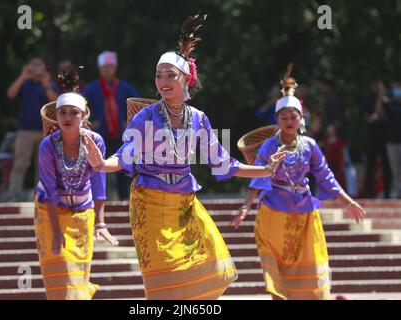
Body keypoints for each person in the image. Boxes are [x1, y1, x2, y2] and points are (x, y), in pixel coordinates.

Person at [83, 14, 286, 300]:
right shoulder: (146, 117)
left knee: (213, 269)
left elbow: (224, 163)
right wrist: (101, 164)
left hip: (184, 205)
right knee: (165, 283)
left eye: (170, 75)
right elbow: (126, 156)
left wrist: (266, 169)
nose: (163, 81)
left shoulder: (198, 119)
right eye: (159, 75)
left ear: (186, 79)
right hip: (150, 203)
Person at [230, 64, 366, 300]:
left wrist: (348, 202)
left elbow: (326, 176)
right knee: (278, 267)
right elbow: (259, 177)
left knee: (309, 261)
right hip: (274, 211)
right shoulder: (270, 146)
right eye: (284, 116)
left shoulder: (310, 146)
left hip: (303, 212)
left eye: (294, 116)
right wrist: (246, 206)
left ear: (301, 118)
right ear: (277, 119)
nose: (289, 120)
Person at [34, 67, 118, 300]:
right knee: (58, 272)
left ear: (83, 116)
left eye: (73, 113)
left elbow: (99, 183)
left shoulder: (95, 142)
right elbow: (50, 190)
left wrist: (100, 223)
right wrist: (55, 230)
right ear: (57, 116)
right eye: (63, 113)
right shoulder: (48, 146)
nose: (68, 118)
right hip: (49, 211)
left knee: (78, 273)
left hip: (82, 212)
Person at [82, 51, 138, 200]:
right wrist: (88, 123)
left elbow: (138, 108)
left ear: (115, 68)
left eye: (110, 67)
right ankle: (98, 198)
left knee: (123, 166)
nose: (108, 70)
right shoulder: (91, 89)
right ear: (100, 69)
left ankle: (125, 198)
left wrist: (130, 123)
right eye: (105, 67)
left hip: (121, 134)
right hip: (99, 135)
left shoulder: (125, 88)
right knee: (96, 166)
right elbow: (79, 109)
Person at [6, 57, 59, 201]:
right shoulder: (24, 83)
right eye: (33, 64)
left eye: (39, 64)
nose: (36, 67)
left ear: (44, 67)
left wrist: (46, 84)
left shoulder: (49, 84)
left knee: (42, 165)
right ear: (28, 66)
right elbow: (10, 94)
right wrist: (23, 76)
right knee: (20, 164)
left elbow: (56, 103)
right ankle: (13, 194)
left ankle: (40, 196)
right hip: (25, 130)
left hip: (45, 131)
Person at [361, 80, 391, 198]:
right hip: (371, 138)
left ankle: (388, 194)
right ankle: (368, 194)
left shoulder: (387, 101)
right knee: (370, 167)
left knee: (386, 167)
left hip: (385, 139)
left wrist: (381, 97)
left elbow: (383, 116)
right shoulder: (367, 100)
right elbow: (366, 118)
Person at [382, 81, 401, 198]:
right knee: (395, 170)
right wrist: (381, 95)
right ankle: (396, 192)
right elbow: (380, 114)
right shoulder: (390, 104)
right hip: (392, 142)